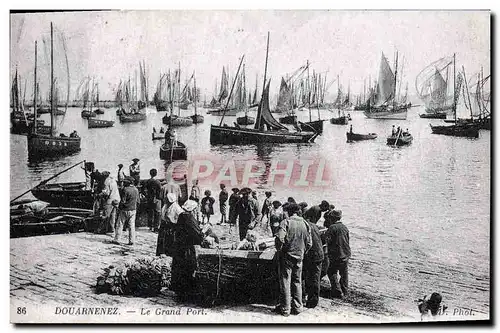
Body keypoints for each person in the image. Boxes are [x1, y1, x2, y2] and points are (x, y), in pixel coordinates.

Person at [274, 203, 312, 316]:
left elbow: (280, 239)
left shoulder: (286, 222)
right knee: (297, 282)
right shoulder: (305, 223)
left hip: (287, 256)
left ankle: (285, 309)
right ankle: (297, 307)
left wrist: (279, 250)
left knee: (285, 282)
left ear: (289, 211)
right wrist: (303, 252)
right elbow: (309, 243)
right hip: (299, 257)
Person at [170, 200, 205, 301]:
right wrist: (202, 235)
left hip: (179, 246)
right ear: (192, 209)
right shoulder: (189, 217)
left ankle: (179, 291)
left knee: (179, 268)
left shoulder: (182, 215)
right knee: (187, 268)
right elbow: (195, 233)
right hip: (186, 247)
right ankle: (186, 293)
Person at [324, 209, 351, 299]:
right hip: (346, 253)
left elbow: (326, 240)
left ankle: (337, 291)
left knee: (331, 271)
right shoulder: (344, 227)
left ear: (332, 218)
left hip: (337, 254)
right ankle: (345, 290)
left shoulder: (332, 228)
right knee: (344, 273)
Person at [302, 218, 325, 309]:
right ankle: (310, 299)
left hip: (313, 255)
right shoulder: (313, 225)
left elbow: (307, 243)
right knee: (314, 278)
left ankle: (312, 302)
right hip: (318, 254)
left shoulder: (305, 226)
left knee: (312, 278)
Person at [114, 176, 139, 245]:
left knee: (120, 224)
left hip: (125, 209)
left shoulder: (125, 190)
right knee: (131, 225)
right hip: (133, 209)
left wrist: (119, 207)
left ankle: (117, 239)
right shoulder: (136, 190)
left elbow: (123, 201)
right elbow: (138, 201)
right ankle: (132, 240)